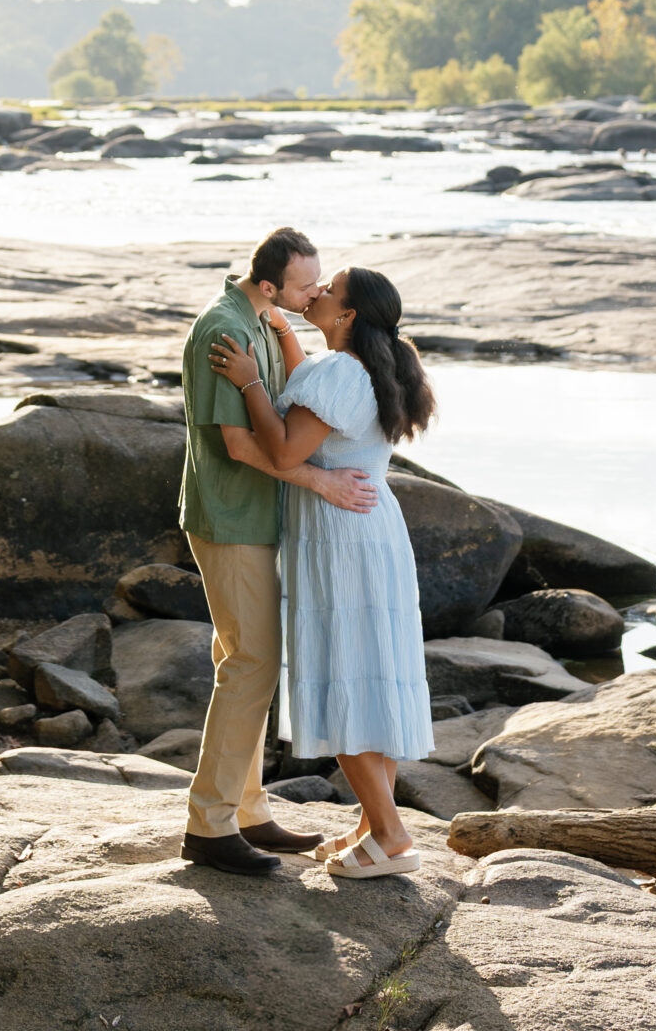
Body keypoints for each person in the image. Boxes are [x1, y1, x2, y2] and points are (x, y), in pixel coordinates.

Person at [210, 264, 437, 877]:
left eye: (328, 290)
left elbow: (284, 450)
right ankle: (371, 826)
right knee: (372, 676)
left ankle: (390, 834)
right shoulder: (373, 364)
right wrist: (283, 327)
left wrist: (251, 383)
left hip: (339, 537)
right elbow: (313, 373)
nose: (317, 293)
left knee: (344, 677)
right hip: (373, 530)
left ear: (349, 315)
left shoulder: (341, 371)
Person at [177, 226, 378, 876]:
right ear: (269, 286)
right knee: (252, 664)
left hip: (260, 517)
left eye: (320, 281)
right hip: (231, 518)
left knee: (246, 660)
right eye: (305, 285)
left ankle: (248, 810)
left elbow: (293, 389)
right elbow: (238, 445)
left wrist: (295, 328)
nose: (317, 290)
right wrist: (319, 479)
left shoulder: (263, 318)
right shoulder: (223, 331)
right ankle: (209, 827)